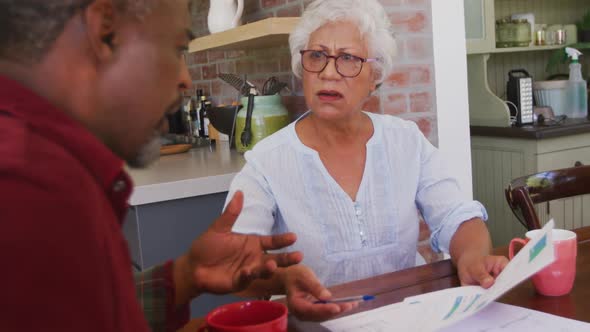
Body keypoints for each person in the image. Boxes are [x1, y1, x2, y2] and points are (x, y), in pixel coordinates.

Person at [0, 1, 303, 331]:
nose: (186, 80)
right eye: (178, 49)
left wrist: (185, 276)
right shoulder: (27, 193)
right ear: (106, 32)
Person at [225, 0, 509, 320]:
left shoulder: (405, 141)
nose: (329, 72)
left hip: (409, 315)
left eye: (348, 58)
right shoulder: (266, 162)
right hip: (317, 322)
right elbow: (234, 267)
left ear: (375, 76)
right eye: (316, 56)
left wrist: (472, 259)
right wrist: (281, 279)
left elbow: (458, 217)